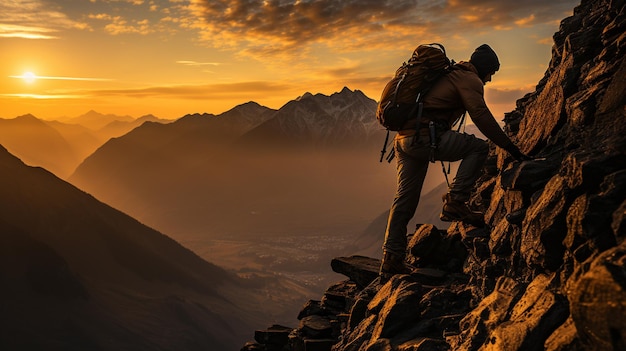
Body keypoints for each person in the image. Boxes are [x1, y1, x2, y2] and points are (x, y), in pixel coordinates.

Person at [380, 44, 530, 277]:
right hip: (424, 138)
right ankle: (456, 202)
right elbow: (480, 115)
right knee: (479, 148)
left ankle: (391, 258)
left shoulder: (449, 73)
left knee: (404, 199)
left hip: (404, 140)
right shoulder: (469, 79)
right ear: (484, 69)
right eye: (491, 73)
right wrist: (510, 147)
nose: (489, 79)